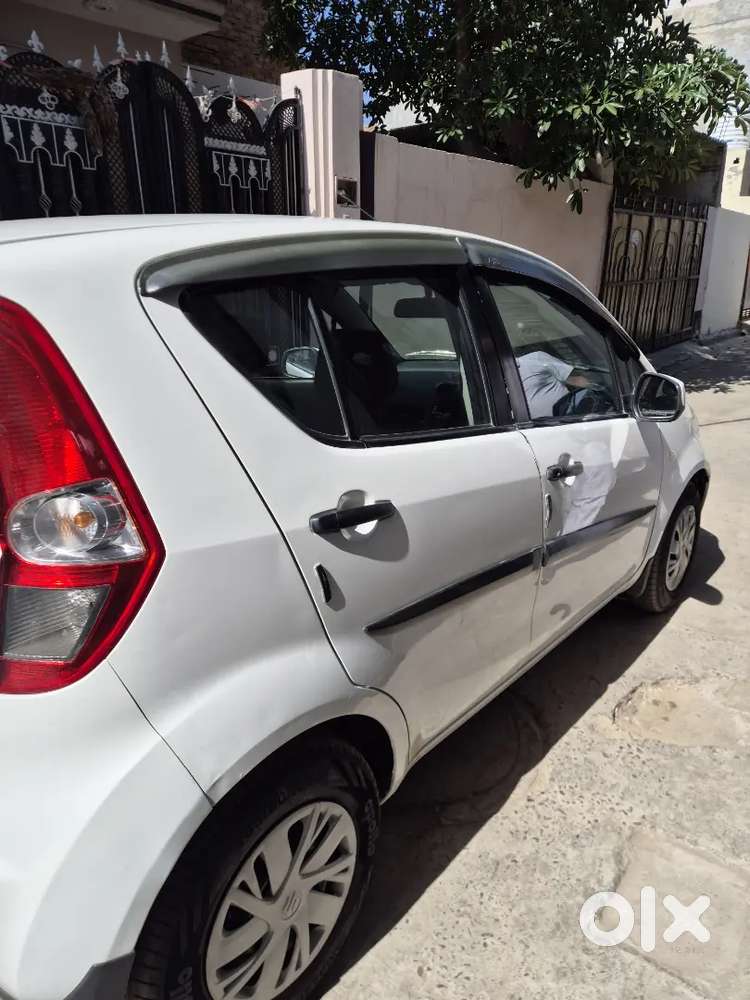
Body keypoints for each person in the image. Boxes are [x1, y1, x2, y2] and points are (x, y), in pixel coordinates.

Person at [516, 348, 593, 419]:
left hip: (571, 417)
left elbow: (577, 380)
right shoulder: (504, 385)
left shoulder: (536, 359)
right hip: (534, 430)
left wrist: (596, 395)